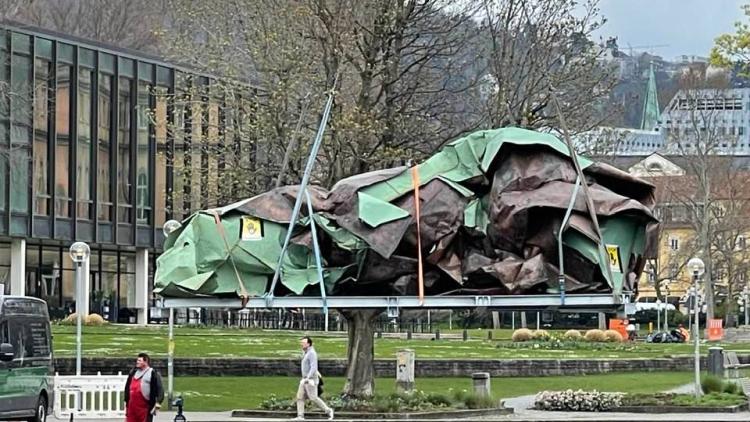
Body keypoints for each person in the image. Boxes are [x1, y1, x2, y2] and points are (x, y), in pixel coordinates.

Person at [295, 336, 333, 421]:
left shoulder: (312, 353)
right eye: (301, 343)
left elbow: (313, 367)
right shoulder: (305, 352)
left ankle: (328, 410)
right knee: (300, 397)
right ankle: (300, 416)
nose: (301, 344)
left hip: (310, 380)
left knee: (313, 398)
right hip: (304, 379)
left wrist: (308, 377)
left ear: (308, 344)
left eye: (303, 343)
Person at [124, 352, 164, 422]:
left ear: (145, 362)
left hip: (145, 408)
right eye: (137, 360)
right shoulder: (133, 372)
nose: (137, 362)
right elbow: (127, 387)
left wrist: (158, 402)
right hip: (132, 407)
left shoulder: (152, 373)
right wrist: (126, 400)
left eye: (139, 361)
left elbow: (160, 388)